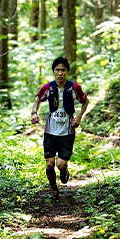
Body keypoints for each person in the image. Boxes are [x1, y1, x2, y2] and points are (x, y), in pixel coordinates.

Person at [30, 57, 89, 199]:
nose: (60, 73)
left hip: (67, 132)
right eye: (57, 70)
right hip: (50, 131)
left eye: (63, 70)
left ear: (67, 71)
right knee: (49, 165)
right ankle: (54, 190)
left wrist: (79, 117)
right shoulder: (48, 87)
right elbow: (37, 100)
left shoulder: (74, 88)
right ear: (54, 72)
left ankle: (64, 171)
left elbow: (85, 101)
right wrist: (33, 113)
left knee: (60, 165)